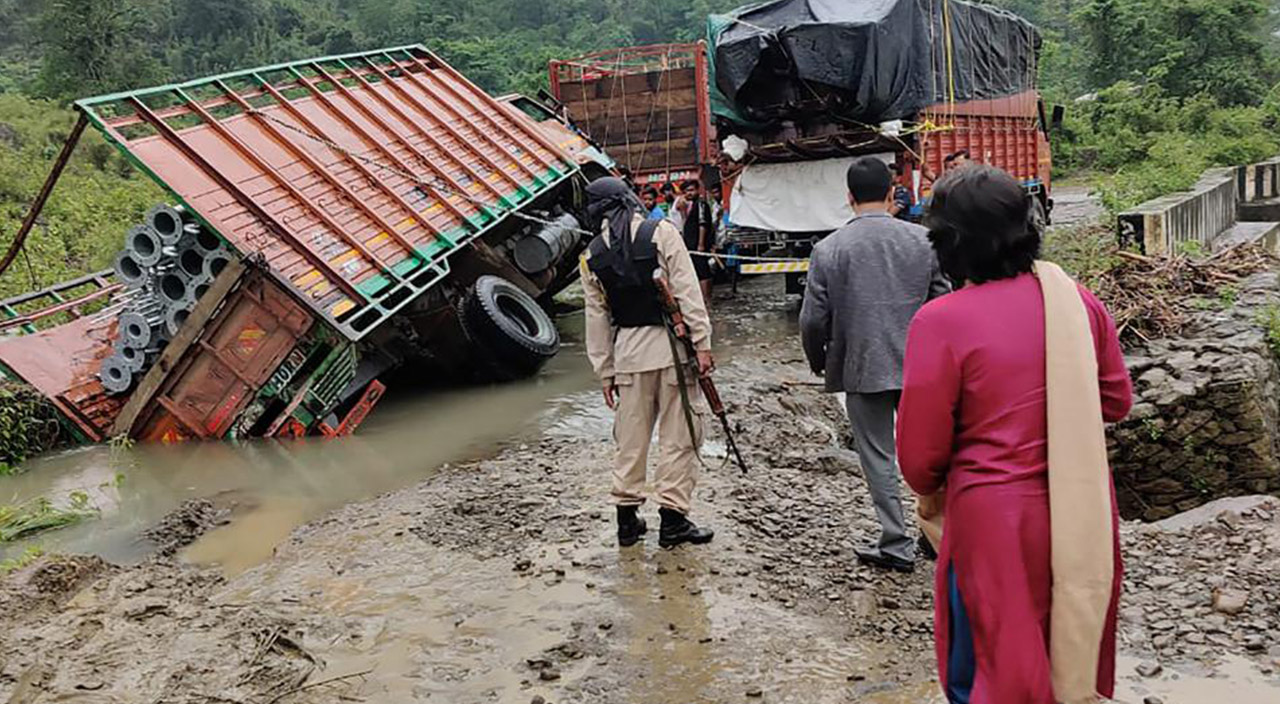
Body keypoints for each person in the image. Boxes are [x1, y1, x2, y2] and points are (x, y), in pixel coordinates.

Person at [896, 165, 1132, 704]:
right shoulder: (1077, 302)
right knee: (1069, 664)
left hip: (993, 528)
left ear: (947, 244)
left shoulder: (942, 321)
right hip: (1083, 519)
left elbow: (918, 460)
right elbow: (1116, 401)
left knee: (986, 674)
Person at [799, 157, 950, 573]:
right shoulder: (924, 241)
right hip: (922, 367)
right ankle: (941, 535)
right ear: (891, 193)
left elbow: (813, 318)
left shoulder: (828, 250)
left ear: (848, 198)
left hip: (862, 367)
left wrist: (819, 359)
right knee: (935, 453)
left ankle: (896, 543)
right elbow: (943, 303)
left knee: (878, 456)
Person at [580, 177, 716, 549]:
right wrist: (702, 344)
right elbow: (689, 293)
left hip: (627, 355)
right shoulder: (662, 233)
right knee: (679, 436)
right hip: (672, 350)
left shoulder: (591, 254)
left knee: (631, 438)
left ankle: (627, 520)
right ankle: (672, 521)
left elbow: (597, 320)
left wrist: (604, 372)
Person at [678, 179, 716, 305]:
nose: (688, 193)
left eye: (691, 190)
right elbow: (686, 225)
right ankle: (702, 299)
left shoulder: (701, 204)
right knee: (697, 271)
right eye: (686, 191)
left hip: (698, 244)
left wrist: (701, 244)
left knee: (702, 270)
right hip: (691, 244)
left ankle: (707, 299)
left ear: (697, 190)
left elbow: (702, 224)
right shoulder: (691, 205)